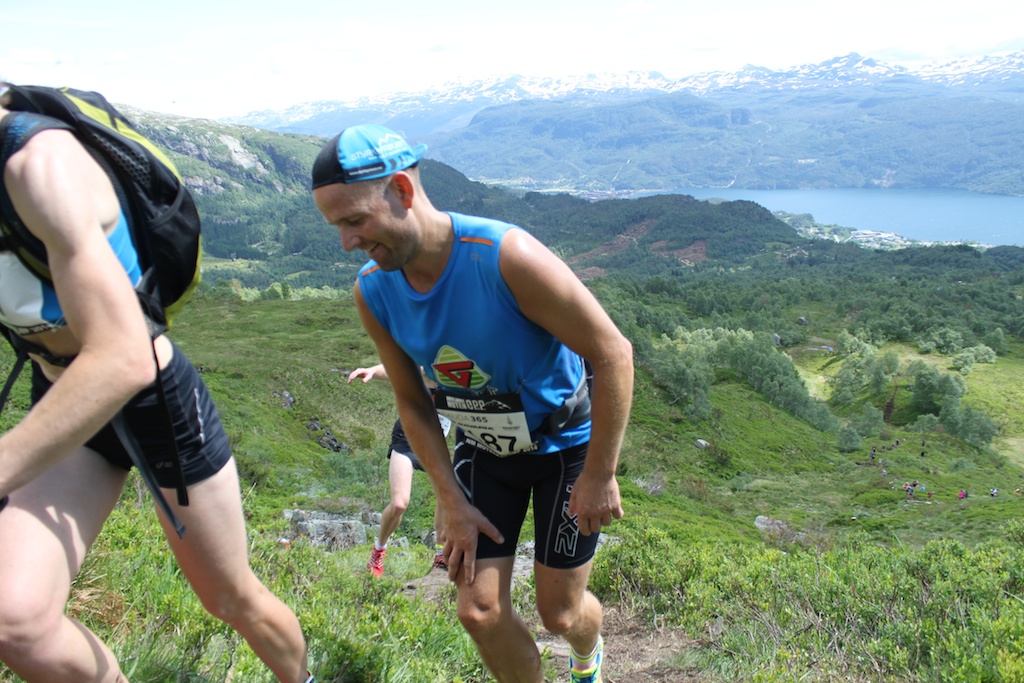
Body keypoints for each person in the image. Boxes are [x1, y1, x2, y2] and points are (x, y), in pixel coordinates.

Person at [0, 84, 313, 683]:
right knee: (16, 622)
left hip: (155, 405)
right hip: (63, 402)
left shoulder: (40, 167)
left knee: (230, 598)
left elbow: (123, 359)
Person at [312, 124, 634, 683]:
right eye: (336, 226)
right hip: (484, 448)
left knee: (560, 614)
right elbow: (412, 401)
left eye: (355, 220)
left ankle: (587, 653)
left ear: (402, 191)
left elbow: (613, 353)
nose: (347, 242)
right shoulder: (373, 291)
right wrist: (449, 497)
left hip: (564, 448)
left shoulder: (505, 256)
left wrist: (600, 474)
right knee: (478, 611)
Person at [347, 362, 452, 576]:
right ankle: (378, 551)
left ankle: (441, 552)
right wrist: (372, 371)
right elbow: (398, 368)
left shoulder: (466, 380)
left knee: (447, 496)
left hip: (435, 444)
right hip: (407, 439)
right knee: (399, 503)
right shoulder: (431, 371)